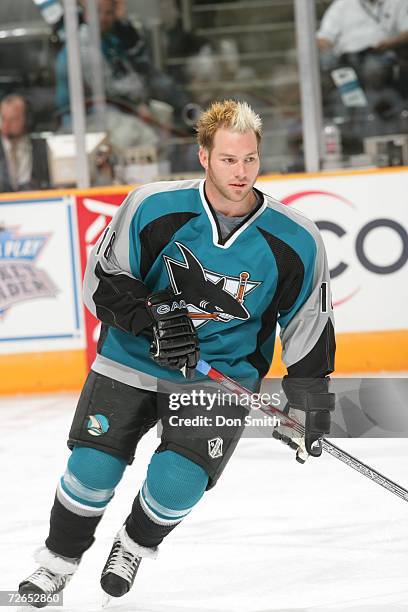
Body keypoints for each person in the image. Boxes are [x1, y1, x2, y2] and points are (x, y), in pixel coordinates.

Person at [18, 99, 336, 607]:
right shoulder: (152, 206)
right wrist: (156, 315)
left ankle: (133, 545)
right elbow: (101, 281)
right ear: (204, 156)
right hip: (131, 361)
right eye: (229, 159)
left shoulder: (295, 239)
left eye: (250, 159)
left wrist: (308, 399)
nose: (241, 171)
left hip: (219, 378)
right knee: (93, 470)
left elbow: (308, 324)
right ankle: (56, 563)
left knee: (178, 483)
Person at [0, 94, 50, 193]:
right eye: (3, 118)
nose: (6, 125)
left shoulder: (41, 148)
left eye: (13, 119)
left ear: (27, 119)